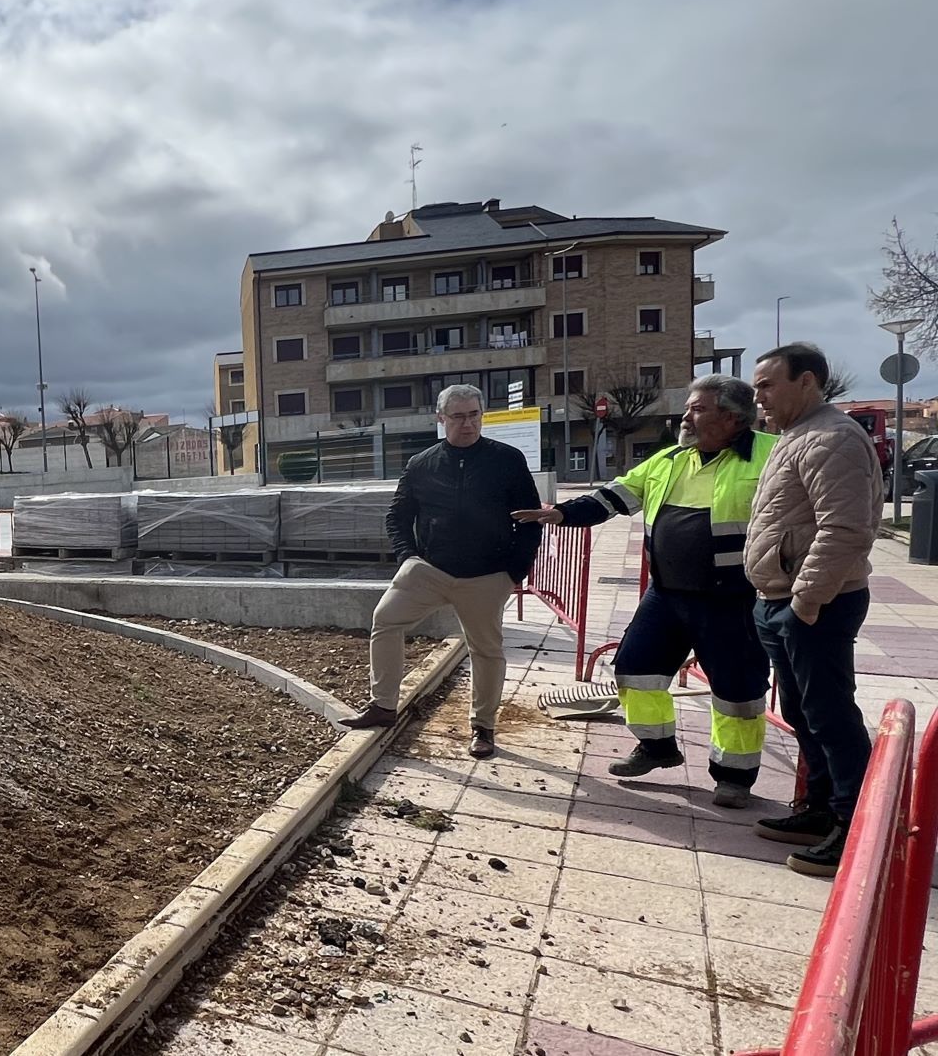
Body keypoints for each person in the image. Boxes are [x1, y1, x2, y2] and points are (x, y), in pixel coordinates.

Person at [512, 375, 776, 807]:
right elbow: (613, 498)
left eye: (697, 408)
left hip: (734, 599)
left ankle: (734, 776)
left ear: (731, 417)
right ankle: (657, 748)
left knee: (738, 693)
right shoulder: (669, 459)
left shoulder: (770, 457)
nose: (686, 416)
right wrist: (558, 513)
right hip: (668, 594)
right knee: (634, 670)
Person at [339, 384, 542, 759]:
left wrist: (515, 572)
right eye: (458, 416)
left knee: (486, 649)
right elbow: (397, 516)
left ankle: (484, 727)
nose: (467, 424)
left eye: (474, 415)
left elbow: (530, 520)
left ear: (482, 414)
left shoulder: (507, 460)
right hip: (429, 571)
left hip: (487, 575)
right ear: (441, 418)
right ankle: (383, 707)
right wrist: (408, 558)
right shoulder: (422, 463)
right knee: (385, 620)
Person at [745, 343, 882, 876]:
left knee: (830, 716)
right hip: (781, 601)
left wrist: (805, 600)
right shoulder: (793, 436)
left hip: (817, 605)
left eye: (767, 385)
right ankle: (821, 810)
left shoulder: (832, 438)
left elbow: (846, 528)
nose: (760, 396)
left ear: (807, 382)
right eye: (757, 387)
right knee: (805, 714)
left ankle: (857, 829)